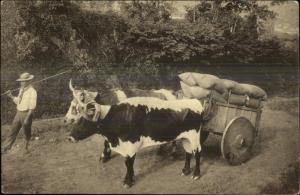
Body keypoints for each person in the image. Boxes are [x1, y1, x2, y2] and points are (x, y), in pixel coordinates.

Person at [2, 72, 37, 154]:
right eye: (21, 81)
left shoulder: (32, 92)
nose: (21, 83)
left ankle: (26, 148)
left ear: (29, 81)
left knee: (26, 132)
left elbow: (32, 108)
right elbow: (18, 101)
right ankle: (5, 147)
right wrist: (10, 95)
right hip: (18, 113)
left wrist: (27, 118)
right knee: (13, 130)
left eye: (23, 81)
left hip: (26, 114)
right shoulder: (21, 90)